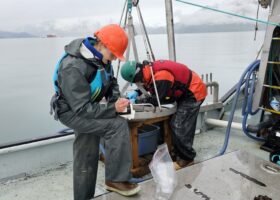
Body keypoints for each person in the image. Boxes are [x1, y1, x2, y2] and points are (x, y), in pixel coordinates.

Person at [50, 24, 140, 200]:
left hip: (87, 107)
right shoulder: (73, 67)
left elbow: (111, 82)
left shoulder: (100, 58)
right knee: (117, 125)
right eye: (113, 54)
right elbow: (82, 109)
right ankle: (116, 179)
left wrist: (116, 100)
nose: (114, 59)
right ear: (102, 45)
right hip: (71, 112)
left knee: (86, 150)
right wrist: (112, 109)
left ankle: (84, 196)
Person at [121, 60, 207, 170]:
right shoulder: (148, 71)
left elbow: (157, 99)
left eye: (137, 81)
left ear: (138, 75)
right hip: (184, 90)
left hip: (194, 92)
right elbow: (149, 85)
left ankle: (187, 159)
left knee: (179, 125)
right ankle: (177, 151)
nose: (138, 83)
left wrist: (136, 102)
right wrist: (138, 92)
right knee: (175, 122)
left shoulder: (161, 76)